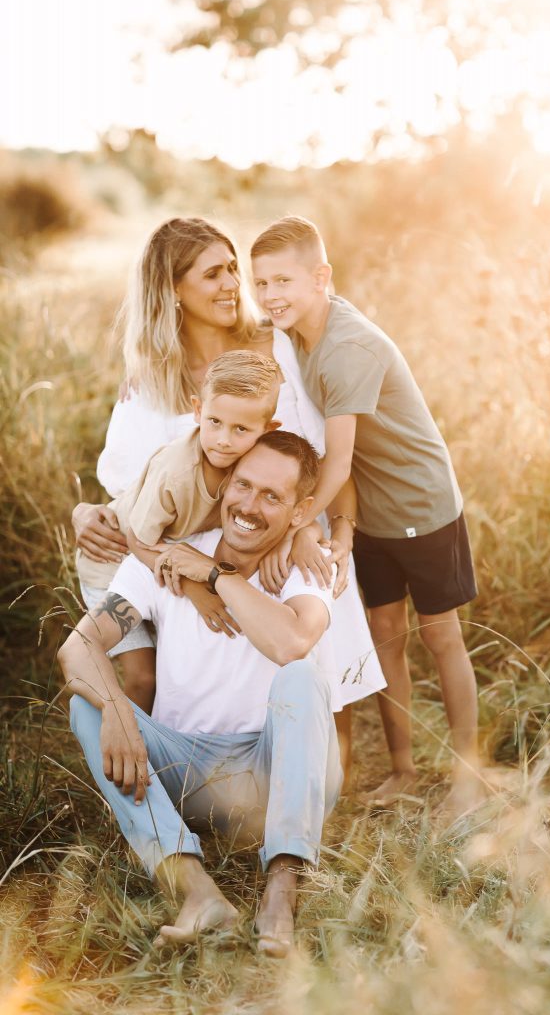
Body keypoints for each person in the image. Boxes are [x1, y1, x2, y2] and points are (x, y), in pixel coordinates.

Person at [71, 217, 385, 765]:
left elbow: (323, 452)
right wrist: (82, 513)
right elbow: (128, 487)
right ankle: (173, 762)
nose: (232, 284)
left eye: (233, 269)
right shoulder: (151, 378)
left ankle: (331, 769)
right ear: (172, 288)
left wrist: (325, 529)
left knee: (316, 570)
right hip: (183, 545)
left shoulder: (278, 346)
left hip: (276, 521)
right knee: (168, 636)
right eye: (213, 274)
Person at [59, 432, 343, 958]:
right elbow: (79, 647)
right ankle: (197, 893)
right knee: (88, 704)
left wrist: (216, 574)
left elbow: (291, 644)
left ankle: (282, 891)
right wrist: (119, 707)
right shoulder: (169, 555)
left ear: (302, 512)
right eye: (243, 485)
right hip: (188, 773)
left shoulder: (306, 565)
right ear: (225, 483)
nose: (249, 507)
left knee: (303, 678)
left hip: (276, 770)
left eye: (271, 497)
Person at [251, 216, 482, 822]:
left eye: (283, 280)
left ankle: (469, 777)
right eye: (261, 283)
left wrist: (297, 523)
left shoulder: (346, 347)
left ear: (321, 277)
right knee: (386, 637)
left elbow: (337, 460)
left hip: (420, 505)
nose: (270, 295)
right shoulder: (300, 328)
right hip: (371, 509)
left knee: (440, 636)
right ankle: (405, 769)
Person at [77, 349, 281, 712]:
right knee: (144, 678)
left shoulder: (250, 465)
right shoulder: (177, 472)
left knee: (177, 665)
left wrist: (304, 538)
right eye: (215, 422)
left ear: (268, 431)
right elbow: (138, 541)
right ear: (197, 410)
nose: (223, 440)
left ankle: (163, 749)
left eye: (241, 430)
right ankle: (119, 755)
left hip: (163, 558)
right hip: (113, 559)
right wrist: (192, 588)